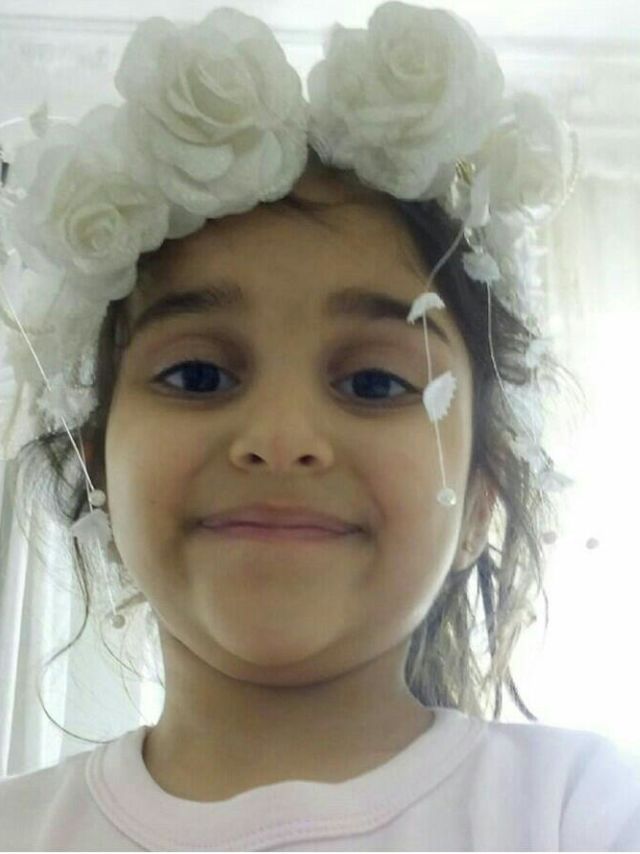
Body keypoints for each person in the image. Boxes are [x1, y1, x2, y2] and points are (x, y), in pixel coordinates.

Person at [0, 3, 639, 851]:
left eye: (375, 382)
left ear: (481, 499)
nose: (280, 436)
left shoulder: (579, 809)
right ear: (98, 474)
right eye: (197, 376)